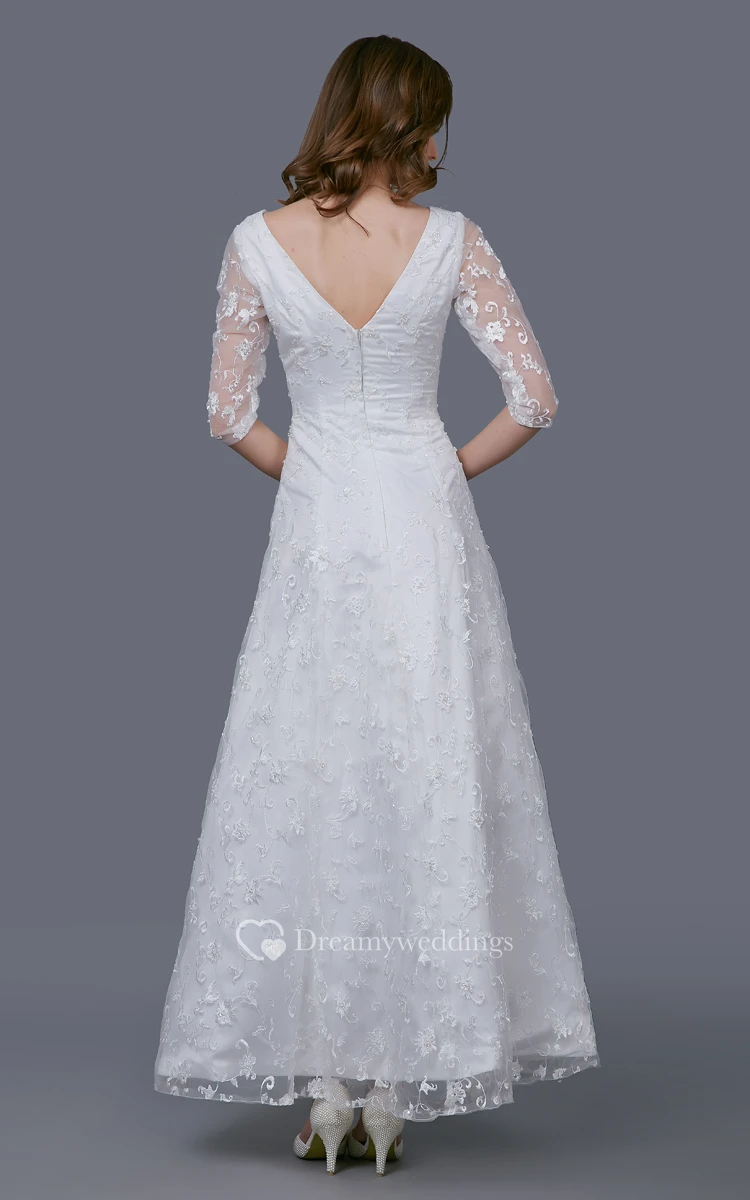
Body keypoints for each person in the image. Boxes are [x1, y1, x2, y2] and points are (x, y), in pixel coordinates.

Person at [153, 33, 599, 1176]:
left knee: (309, 775)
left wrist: (312, 474)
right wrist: (441, 470)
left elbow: (226, 413)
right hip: (423, 532)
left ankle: (325, 1094)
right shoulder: (451, 242)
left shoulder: (257, 241)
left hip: (316, 533)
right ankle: (393, 1094)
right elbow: (535, 397)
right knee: (422, 771)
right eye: (435, 121)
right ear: (405, 122)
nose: (444, 143)